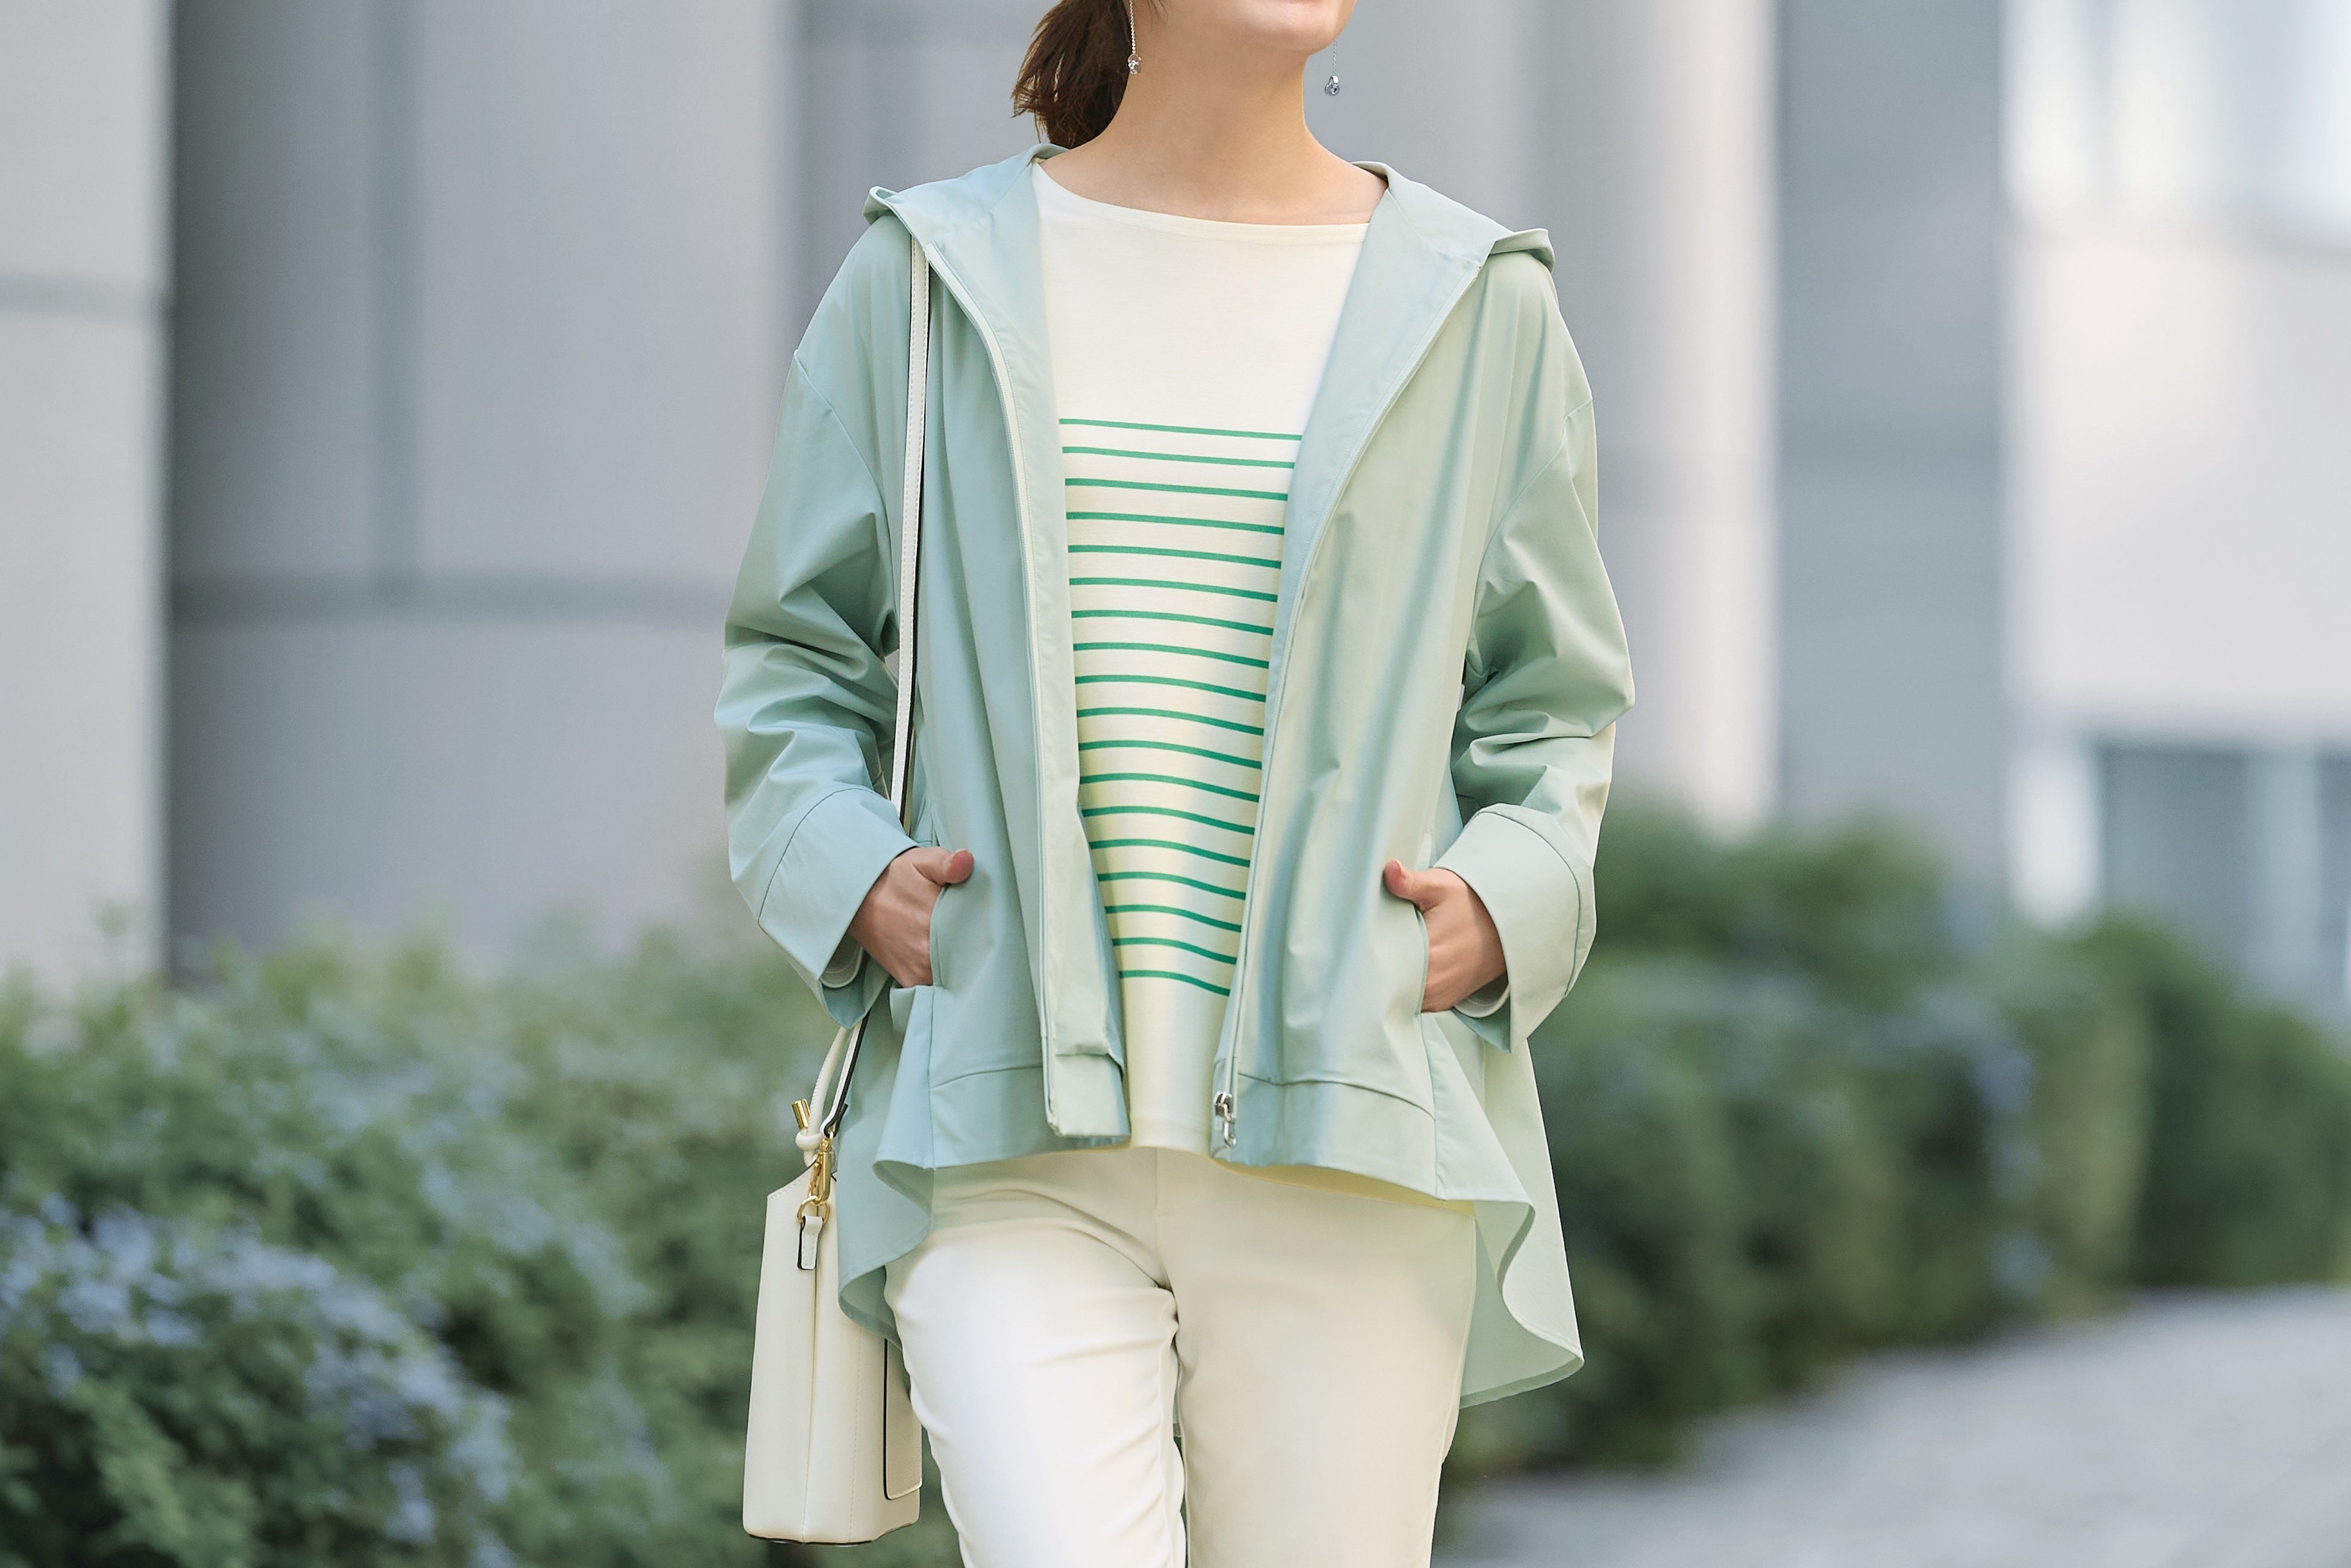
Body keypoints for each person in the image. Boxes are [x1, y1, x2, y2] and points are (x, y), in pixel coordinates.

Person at [716, 1, 1632, 1562]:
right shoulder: (924, 278)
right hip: (1004, 1136)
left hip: (1350, 1132)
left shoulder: (1479, 304)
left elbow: (1555, 706)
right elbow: (792, 659)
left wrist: (1505, 900)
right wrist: (847, 869)